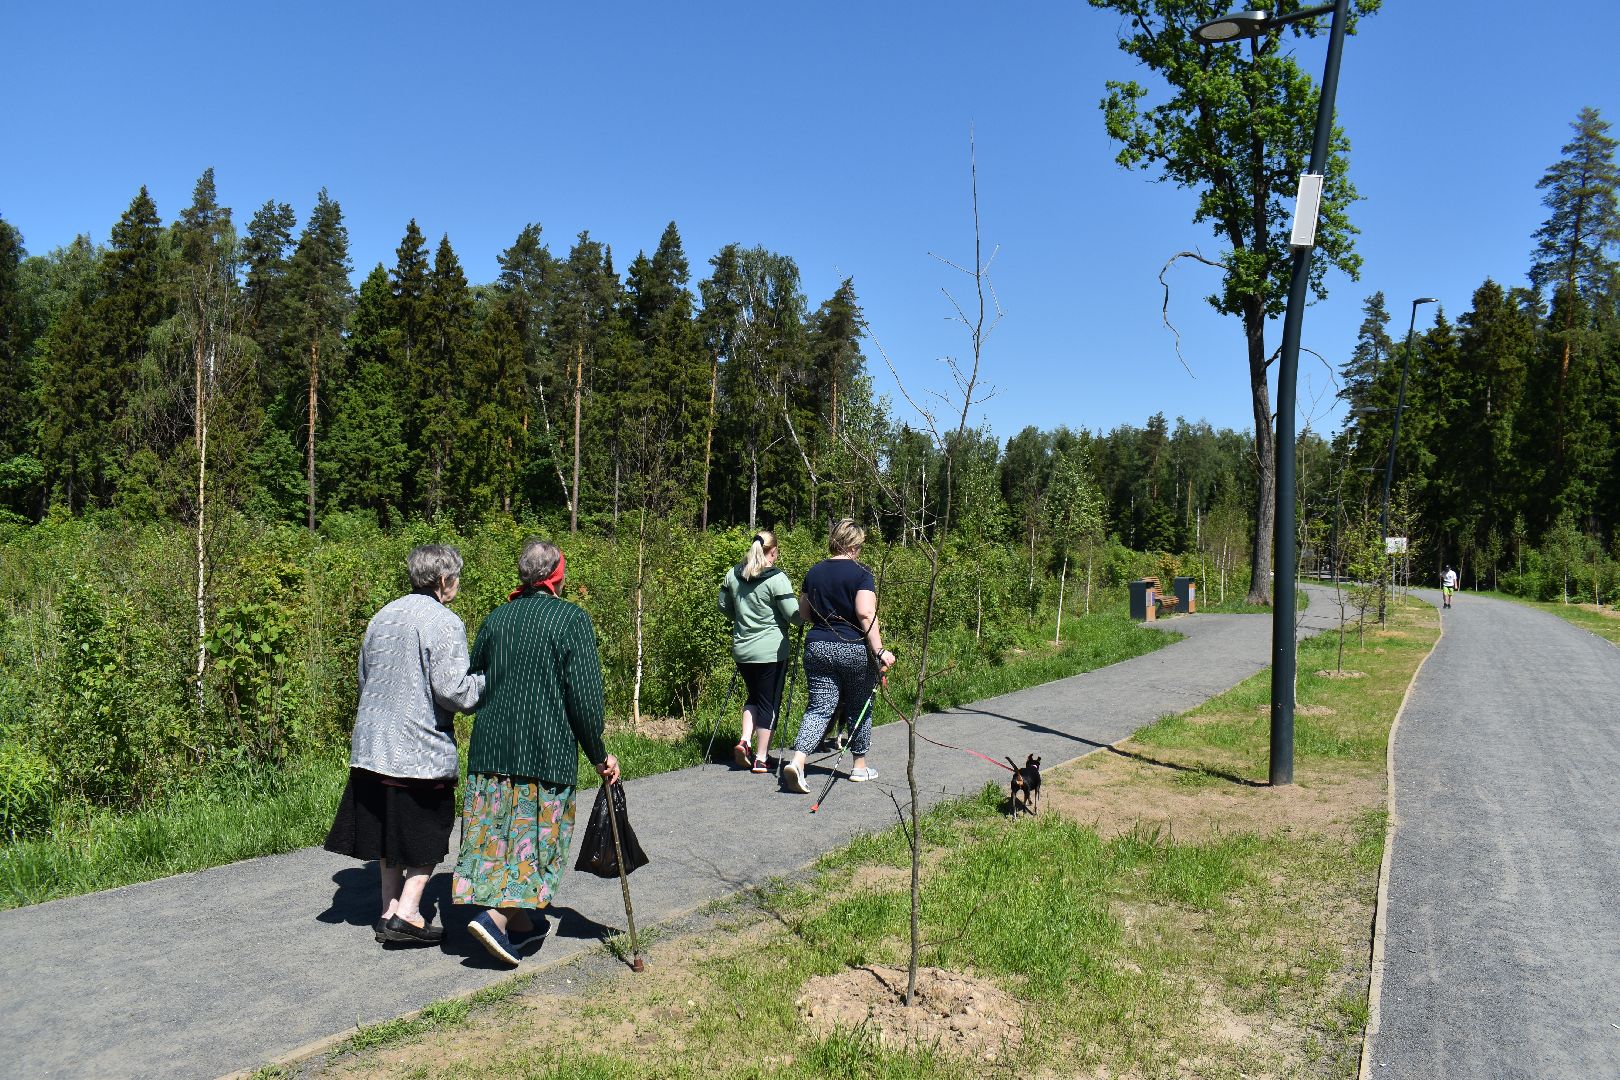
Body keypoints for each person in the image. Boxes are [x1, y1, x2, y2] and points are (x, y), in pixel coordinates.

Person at [452, 539, 620, 967]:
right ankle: (496, 918)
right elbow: (583, 698)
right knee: (534, 844)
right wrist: (599, 753)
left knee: (500, 841)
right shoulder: (571, 620)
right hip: (544, 754)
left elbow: (474, 679)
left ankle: (524, 925)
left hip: (491, 752)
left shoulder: (497, 619)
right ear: (557, 576)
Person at [324, 544, 483, 946]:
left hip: (372, 745)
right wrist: (488, 681)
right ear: (444, 580)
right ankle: (410, 913)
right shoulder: (444, 622)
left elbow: (364, 677)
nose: (457, 585)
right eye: (457, 578)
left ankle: (387, 910)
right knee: (427, 827)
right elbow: (455, 693)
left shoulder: (382, 616)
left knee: (387, 829)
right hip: (418, 749)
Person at [780, 519, 894, 794]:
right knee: (859, 705)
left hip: (818, 646)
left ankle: (797, 761)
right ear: (854, 545)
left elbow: (804, 613)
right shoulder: (861, 573)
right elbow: (866, 613)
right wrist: (879, 650)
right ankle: (859, 766)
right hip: (853, 647)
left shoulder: (814, 572)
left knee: (819, 707)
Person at [718, 531, 801, 774]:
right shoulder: (777, 579)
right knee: (769, 702)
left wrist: (741, 619)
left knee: (754, 696)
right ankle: (762, 758)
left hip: (742, 649)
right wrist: (807, 613)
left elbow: (723, 606)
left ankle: (745, 740)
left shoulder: (733, 574)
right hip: (770, 652)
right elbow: (793, 616)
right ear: (773, 552)